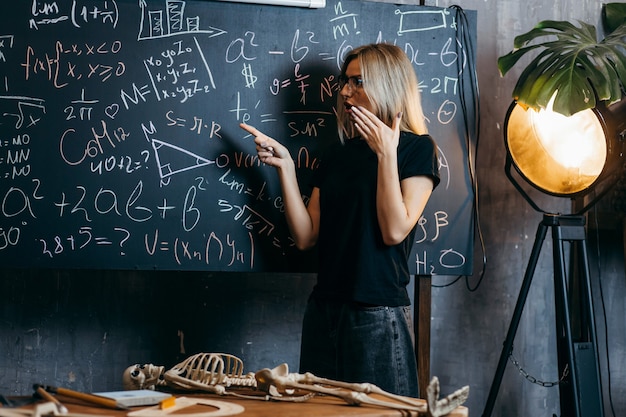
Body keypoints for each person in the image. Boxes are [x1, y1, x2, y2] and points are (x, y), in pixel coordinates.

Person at [239, 43, 440, 398]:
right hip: (324, 311)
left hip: (376, 315)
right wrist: (285, 167)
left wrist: (386, 154)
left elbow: (394, 229)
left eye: (357, 82)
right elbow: (306, 236)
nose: (345, 91)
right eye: (345, 82)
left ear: (387, 84)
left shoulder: (416, 149)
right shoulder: (335, 154)